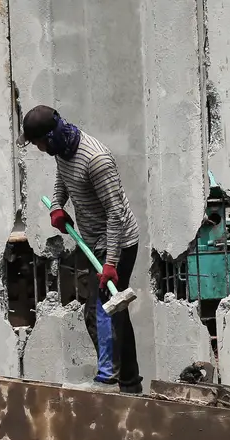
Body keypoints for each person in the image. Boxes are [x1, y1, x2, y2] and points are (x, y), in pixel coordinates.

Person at [21, 105, 143, 394]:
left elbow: (117, 214)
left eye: (38, 142)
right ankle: (130, 384)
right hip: (92, 242)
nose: (38, 148)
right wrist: (58, 205)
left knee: (99, 310)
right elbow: (62, 177)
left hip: (118, 244)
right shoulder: (62, 150)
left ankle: (107, 378)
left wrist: (111, 263)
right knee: (117, 313)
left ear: (50, 137)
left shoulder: (96, 160)